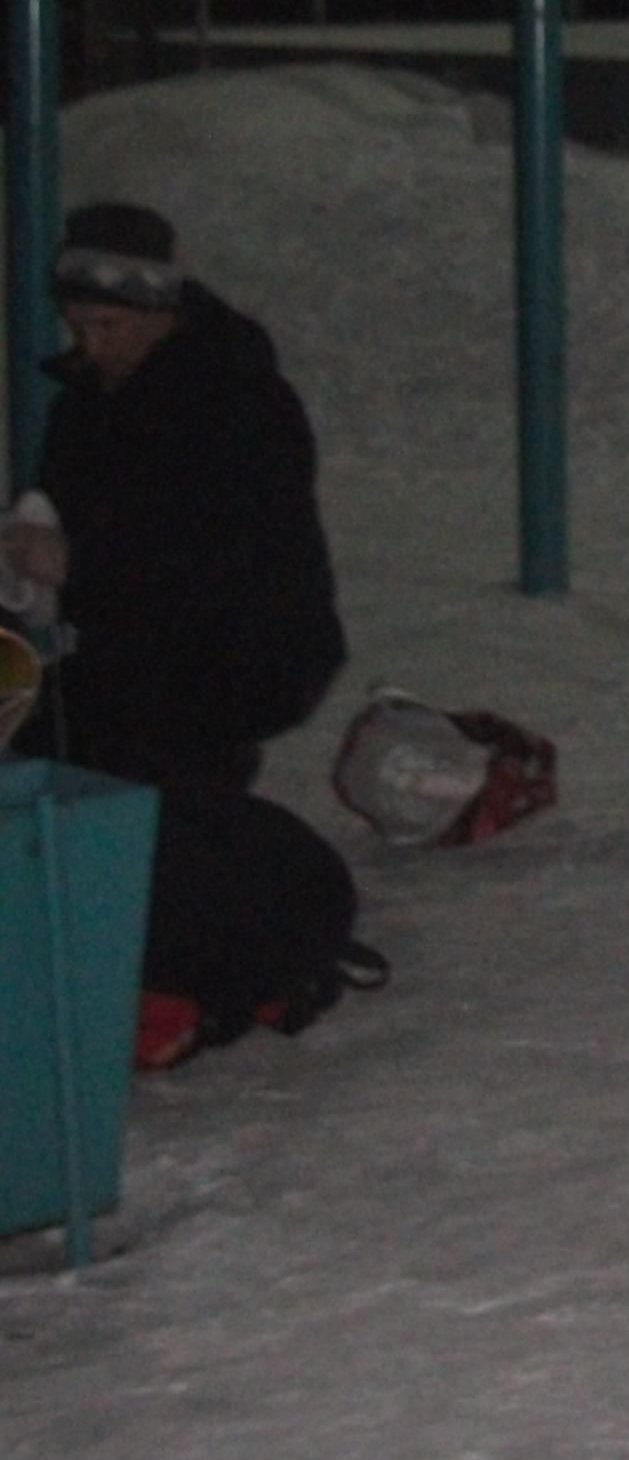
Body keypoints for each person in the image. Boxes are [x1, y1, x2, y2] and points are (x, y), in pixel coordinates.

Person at [7, 204, 364, 1055]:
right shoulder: (91, 400)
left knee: (137, 787)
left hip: (243, 647)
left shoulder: (236, 402)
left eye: (109, 326)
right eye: (79, 324)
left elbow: (215, 557)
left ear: (159, 311)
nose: (91, 343)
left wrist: (76, 563)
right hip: (139, 634)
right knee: (61, 759)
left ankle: (199, 923)